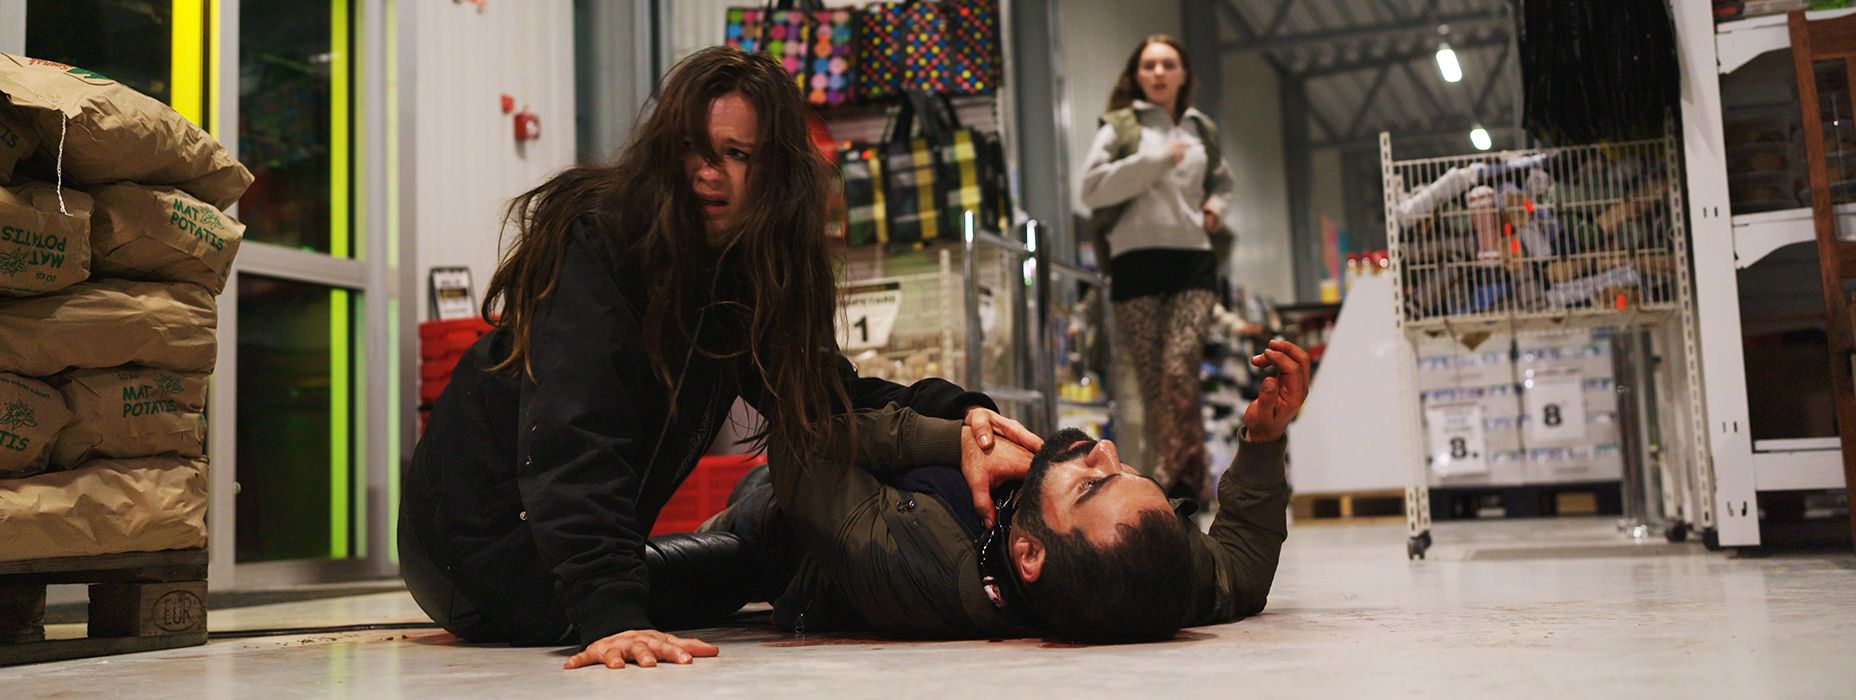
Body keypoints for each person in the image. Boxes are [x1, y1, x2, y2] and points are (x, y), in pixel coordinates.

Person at [398, 47, 1039, 670]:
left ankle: (743, 517)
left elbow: (825, 396)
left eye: (737, 155)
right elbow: (574, 431)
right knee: (743, 562)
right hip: (478, 548)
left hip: (563, 546)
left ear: (775, 173)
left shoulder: (742, 272)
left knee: (746, 563)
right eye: (692, 149)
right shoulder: (603, 240)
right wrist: (611, 613)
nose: (708, 173)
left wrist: (964, 418)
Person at [582, 338, 1306, 657]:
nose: (1102, 449)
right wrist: (1263, 441)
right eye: (1124, 468)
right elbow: (1239, 570)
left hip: (782, 528)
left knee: (634, 584)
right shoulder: (1150, 572)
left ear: (1028, 555)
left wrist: (953, 440)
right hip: (870, 459)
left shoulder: (919, 567)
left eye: (1091, 483)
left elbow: (803, 441)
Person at [1080, 34, 1238, 505]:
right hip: (1135, 265)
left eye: (1168, 64)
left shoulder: (1200, 129)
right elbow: (1092, 189)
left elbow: (1223, 182)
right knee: (1155, 386)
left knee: (1179, 372)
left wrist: (1214, 209)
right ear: (1136, 75)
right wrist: (1156, 160)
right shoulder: (1120, 128)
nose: (1158, 73)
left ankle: (1170, 481)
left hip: (1192, 261)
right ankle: (1189, 481)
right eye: (1149, 65)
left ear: (1183, 73)